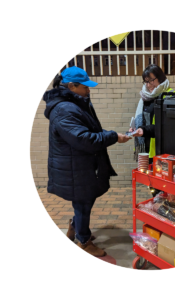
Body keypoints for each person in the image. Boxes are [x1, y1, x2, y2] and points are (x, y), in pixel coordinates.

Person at [43, 66, 130, 257]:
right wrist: (113, 136)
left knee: (85, 201)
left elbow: (90, 132)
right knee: (83, 203)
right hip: (74, 168)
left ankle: (75, 227)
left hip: (80, 165)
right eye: (85, 87)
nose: (88, 90)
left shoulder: (76, 103)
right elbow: (85, 139)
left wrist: (111, 136)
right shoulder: (64, 110)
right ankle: (83, 241)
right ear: (72, 86)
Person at [129, 64, 175, 162]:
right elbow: (143, 120)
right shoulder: (145, 98)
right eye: (146, 82)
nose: (148, 85)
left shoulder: (172, 97)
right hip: (146, 149)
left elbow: (170, 126)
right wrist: (136, 128)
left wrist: (144, 130)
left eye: (151, 81)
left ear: (160, 78)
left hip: (163, 150)